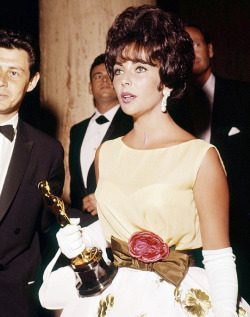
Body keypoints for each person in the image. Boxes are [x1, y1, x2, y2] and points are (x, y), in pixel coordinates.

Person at [39, 5, 249, 316]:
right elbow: (114, 226)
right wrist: (83, 238)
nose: (123, 80)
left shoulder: (200, 157)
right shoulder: (107, 153)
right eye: (119, 69)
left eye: (140, 69)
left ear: (167, 82)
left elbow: (219, 257)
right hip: (114, 295)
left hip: (178, 295)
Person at [169, 24, 250, 302]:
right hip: (189, 231)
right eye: (182, 48)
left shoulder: (243, 95)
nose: (191, 53)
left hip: (242, 225)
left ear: (211, 49)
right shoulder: (169, 107)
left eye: (197, 45)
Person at [0, 28, 65, 317]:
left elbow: (49, 224)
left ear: (32, 81)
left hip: (13, 297)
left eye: (14, 73)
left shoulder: (47, 151)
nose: (1, 82)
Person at [69, 54, 133, 225]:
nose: (104, 80)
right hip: (82, 227)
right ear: (90, 87)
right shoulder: (76, 131)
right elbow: (75, 186)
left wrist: (108, 203)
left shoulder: (134, 123)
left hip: (121, 226)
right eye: (98, 76)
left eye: (109, 76)